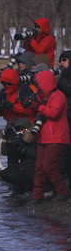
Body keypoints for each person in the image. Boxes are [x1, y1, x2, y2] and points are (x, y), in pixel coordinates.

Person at [27, 70, 70, 204]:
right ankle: (37, 195)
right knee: (39, 167)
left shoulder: (58, 96)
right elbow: (39, 112)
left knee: (49, 167)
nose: (38, 86)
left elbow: (53, 113)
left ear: (45, 83)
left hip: (56, 137)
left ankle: (63, 192)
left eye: (39, 83)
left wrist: (38, 106)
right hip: (44, 137)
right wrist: (31, 105)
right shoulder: (44, 97)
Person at [0, 117, 37, 197]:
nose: (20, 131)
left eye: (22, 129)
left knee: (13, 173)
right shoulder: (17, 140)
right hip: (23, 169)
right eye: (17, 129)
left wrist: (21, 144)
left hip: (33, 172)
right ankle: (20, 187)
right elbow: (4, 152)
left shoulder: (33, 139)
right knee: (5, 173)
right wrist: (6, 139)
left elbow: (32, 155)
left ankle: (30, 187)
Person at [56, 50, 71, 183]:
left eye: (64, 59)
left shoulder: (63, 79)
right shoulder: (62, 75)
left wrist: (59, 81)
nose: (61, 62)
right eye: (60, 60)